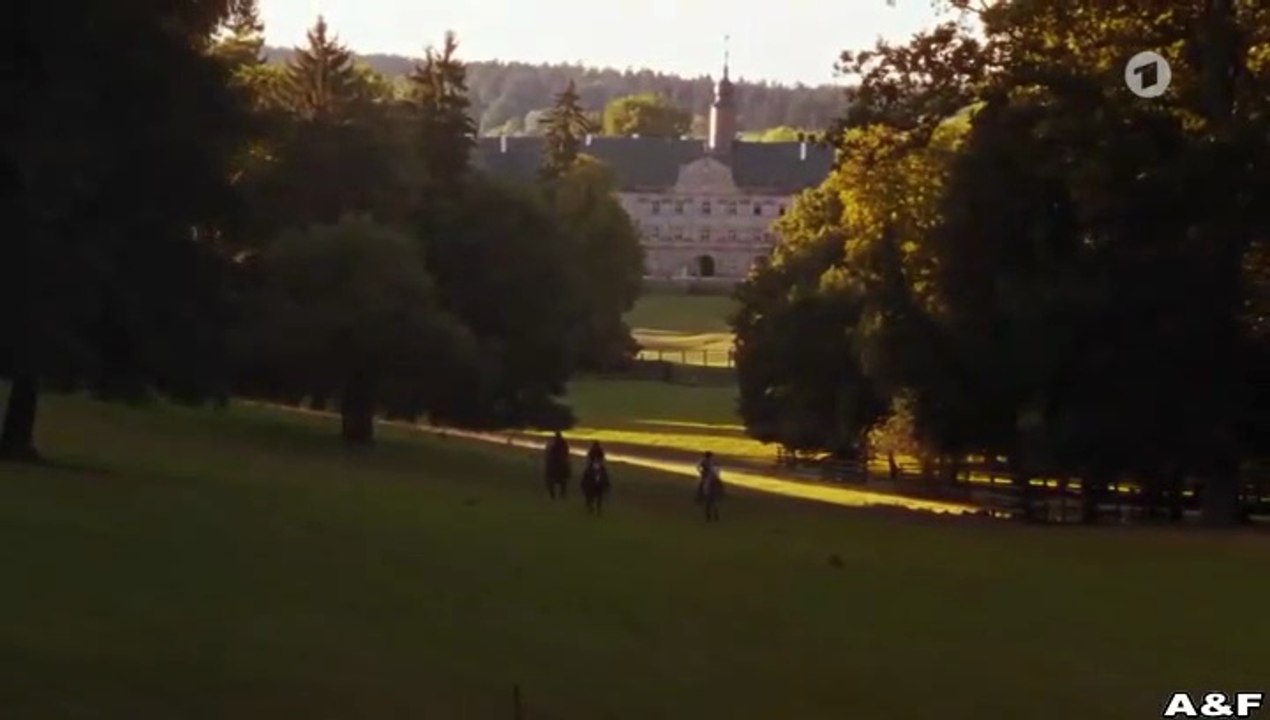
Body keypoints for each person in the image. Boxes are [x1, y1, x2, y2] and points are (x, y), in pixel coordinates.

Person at [696, 451, 724, 522]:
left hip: (711, 475)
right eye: (711, 456)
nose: (712, 457)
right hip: (705, 474)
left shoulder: (712, 461)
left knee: (719, 482)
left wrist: (716, 474)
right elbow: (698, 466)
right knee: (700, 482)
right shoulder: (703, 460)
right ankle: (699, 494)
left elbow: (717, 469)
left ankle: (721, 492)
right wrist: (701, 472)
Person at [543, 431, 571, 500]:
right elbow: (548, 451)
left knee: (566, 464)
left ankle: (565, 477)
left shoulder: (563, 443)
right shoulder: (553, 443)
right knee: (549, 463)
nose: (557, 438)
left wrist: (564, 456)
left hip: (560, 457)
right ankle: (549, 478)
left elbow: (566, 451)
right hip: (554, 457)